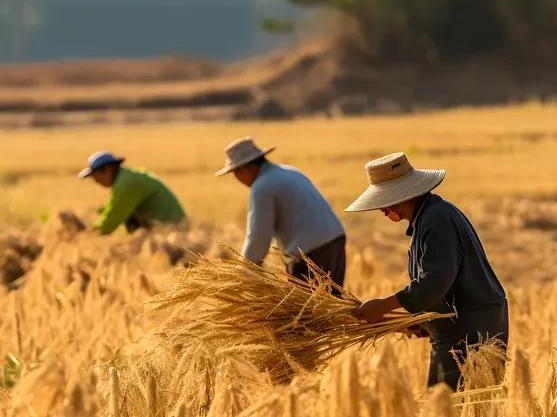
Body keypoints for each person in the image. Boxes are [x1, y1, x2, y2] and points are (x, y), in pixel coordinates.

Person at [346, 152, 508, 391]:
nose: (381, 210)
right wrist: (421, 322)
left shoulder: (437, 220)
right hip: (456, 330)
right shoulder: (428, 219)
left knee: (451, 415)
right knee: (452, 413)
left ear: (401, 197)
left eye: (383, 203)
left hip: (469, 334)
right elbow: (444, 285)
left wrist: (383, 306)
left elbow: (434, 281)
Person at [216, 137, 347, 287]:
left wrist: (243, 273)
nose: (237, 179)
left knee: (306, 310)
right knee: (334, 306)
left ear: (246, 168)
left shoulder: (262, 187)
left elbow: (258, 238)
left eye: (236, 173)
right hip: (335, 240)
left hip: (310, 254)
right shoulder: (289, 172)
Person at [79, 150, 186, 235]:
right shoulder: (126, 178)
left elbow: (112, 218)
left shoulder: (126, 184)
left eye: (96, 177)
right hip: (170, 227)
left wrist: (87, 234)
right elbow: (113, 209)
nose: (96, 181)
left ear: (107, 169)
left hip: (172, 230)